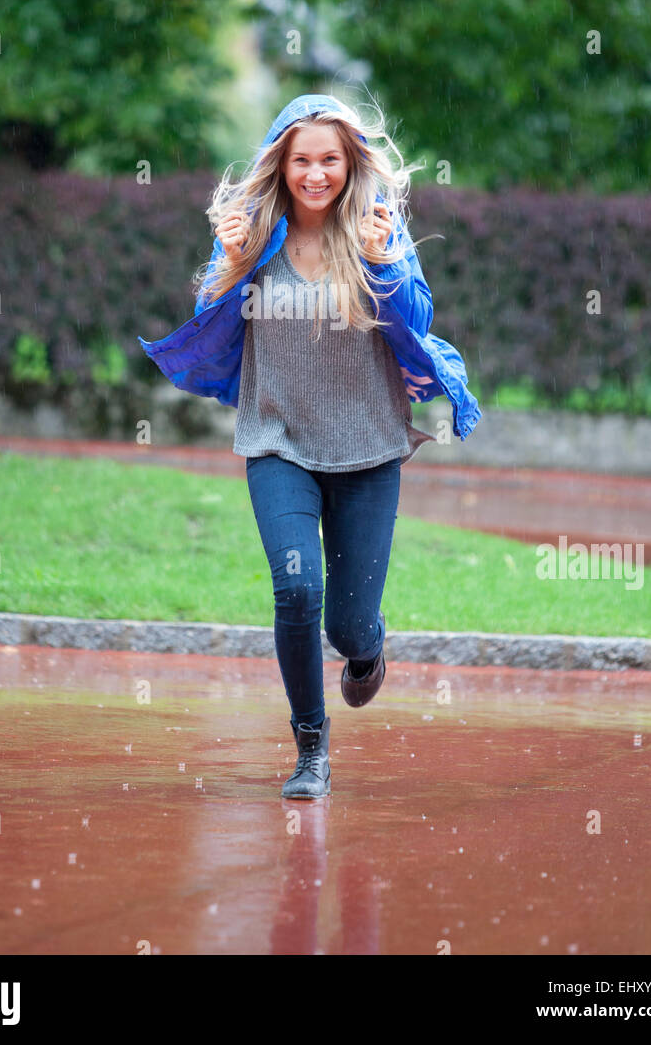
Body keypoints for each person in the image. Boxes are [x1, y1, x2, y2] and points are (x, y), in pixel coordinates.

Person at [138, 94, 481, 799]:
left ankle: (368, 651)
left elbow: (416, 319)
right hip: (277, 441)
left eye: (330, 159)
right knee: (296, 589)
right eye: (302, 160)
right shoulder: (253, 232)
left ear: (349, 162)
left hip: (367, 447)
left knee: (349, 624)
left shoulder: (377, 230)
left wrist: (385, 263)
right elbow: (210, 311)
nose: (316, 173)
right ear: (282, 164)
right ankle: (312, 748)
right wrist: (230, 262)